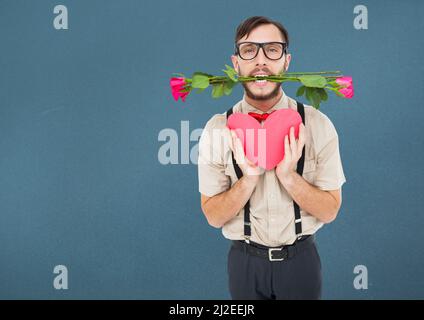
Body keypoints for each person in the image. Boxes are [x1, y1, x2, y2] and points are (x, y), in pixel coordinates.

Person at [197, 16, 346, 300]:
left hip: (301, 262)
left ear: (286, 61)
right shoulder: (217, 128)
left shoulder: (317, 124)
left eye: (272, 50)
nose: (261, 61)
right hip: (244, 264)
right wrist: (248, 178)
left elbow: (330, 211)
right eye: (249, 50)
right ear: (236, 62)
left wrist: (289, 177)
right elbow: (213, 216)